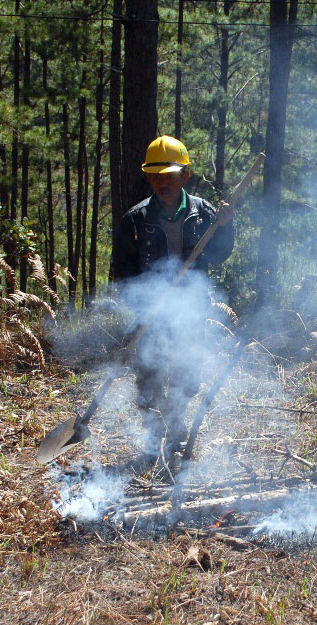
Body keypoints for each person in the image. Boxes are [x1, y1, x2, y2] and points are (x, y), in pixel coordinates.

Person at [111, 135, 234, 460]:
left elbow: (220, 253)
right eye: (155, 176)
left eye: (168, 176)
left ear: (185, 176)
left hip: (190, 310)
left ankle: (176, 431)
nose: (161, 182)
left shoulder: (204, 212)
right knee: (149, 375)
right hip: (151, 313)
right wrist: (142, 304)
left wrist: (225, 226)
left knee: (186, 373)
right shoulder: (135, 220)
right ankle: (154, 436)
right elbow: (123, 272)